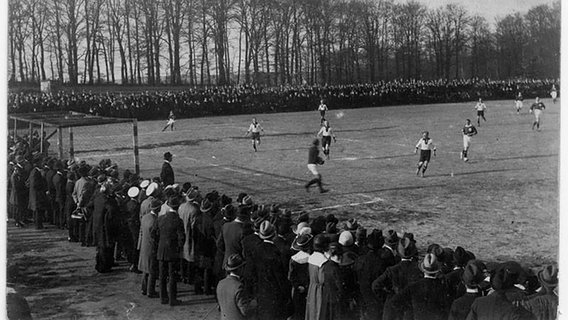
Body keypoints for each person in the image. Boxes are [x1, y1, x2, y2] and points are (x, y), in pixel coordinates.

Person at [388, 253, 452, 320]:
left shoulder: (413, 286)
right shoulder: (444, 287)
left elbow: (394, 302)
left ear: (423, 270)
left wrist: (410, 311)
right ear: (437, 271)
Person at [152, 196, 185, 306]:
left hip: (161, 250)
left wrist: (159, 243)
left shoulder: (160, 218)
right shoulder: (178, 221)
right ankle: (172, 299)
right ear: (177, 207)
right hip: (172, 251)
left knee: (162, 275)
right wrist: (179, 248)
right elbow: (181, 238)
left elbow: (153, 233)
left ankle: (163, 297)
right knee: (172, 276)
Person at [216, 254, 257, 320]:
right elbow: (245, 311)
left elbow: (219, 307)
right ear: (240, 269)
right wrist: (254, 303)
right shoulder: (238, 286)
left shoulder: (220, 283)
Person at [138, 199, 161, 298]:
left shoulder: (145, 218)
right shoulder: (155, 220)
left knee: (145, 269)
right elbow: (156, 237)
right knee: (152, 270)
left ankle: (144, 288)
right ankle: (150, 291)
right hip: (152, 247)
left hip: (144, 246)